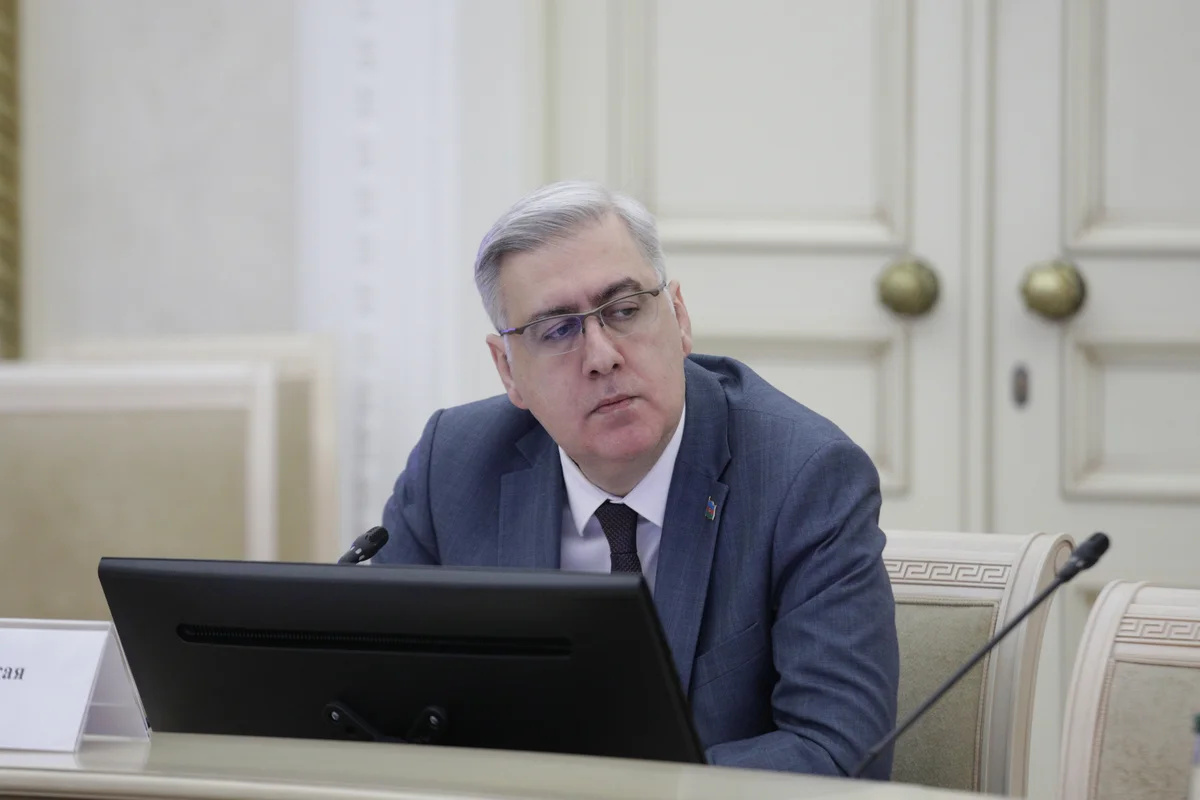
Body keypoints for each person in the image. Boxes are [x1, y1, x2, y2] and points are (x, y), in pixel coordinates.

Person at [376, 180, 900, 778]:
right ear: (508, 369)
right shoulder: (452, 465)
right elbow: (378, 707)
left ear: (679, 318)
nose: (602, 355)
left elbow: (836, 752)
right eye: (557, 330)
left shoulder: (804, 478)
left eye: (624, 311)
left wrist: (588, 791)